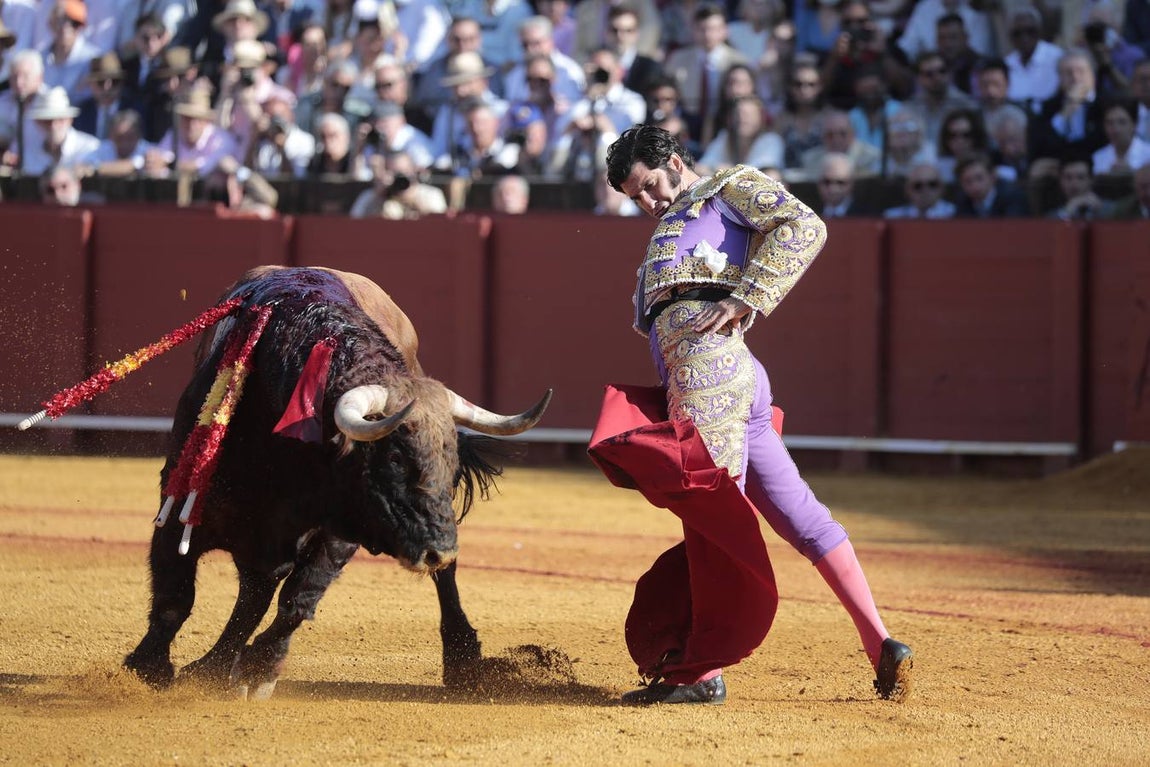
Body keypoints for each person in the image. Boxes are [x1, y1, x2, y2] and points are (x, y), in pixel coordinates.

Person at [604, 123, 913, 706]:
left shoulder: (726, 186)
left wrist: (748, 295)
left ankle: (699, 675)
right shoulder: (672, 225)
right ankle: (881, 642)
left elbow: (805, 225)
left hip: (710, 373)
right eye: (634, 198)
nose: (647, 203)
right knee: (801, 516)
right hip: (721, 378)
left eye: (648, 186)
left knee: (711, 514)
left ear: (673, 160)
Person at [952, 151, 1029, 217]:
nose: (975, 186)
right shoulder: (962, 202)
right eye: (968, 181)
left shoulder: (1013, 197)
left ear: (993, 176)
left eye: (979, 178)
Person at [1047, 155, 1113, 219]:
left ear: (1091, 180)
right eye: (1068, 177)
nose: (1074, 183)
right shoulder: (1052, 216)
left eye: (1080, 177)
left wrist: (1099, 212)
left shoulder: (1110, 209)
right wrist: (1066, 213)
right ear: (1060, 180)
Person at [882, 160, 955, 218]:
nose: (925, 190)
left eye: (932, 184)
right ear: (908, 190)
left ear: (942, 188)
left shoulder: (955, 215)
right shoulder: (892, 217)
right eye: (918, 186)